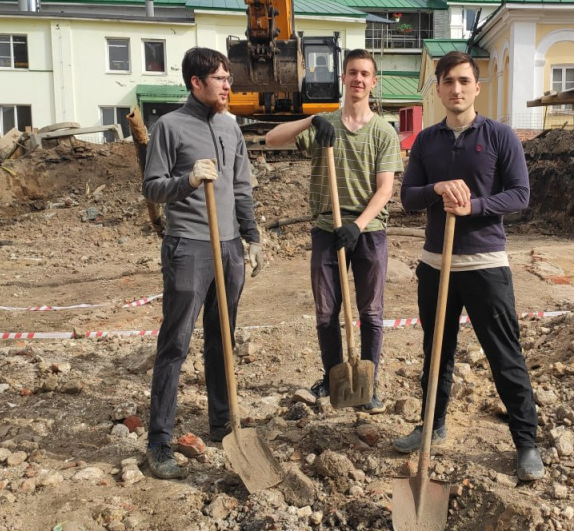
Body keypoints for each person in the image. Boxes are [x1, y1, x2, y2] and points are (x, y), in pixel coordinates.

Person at [394, 50, 544, 481]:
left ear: (477, 87)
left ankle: (526, 442)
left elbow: (519, 195)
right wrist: (437, 187)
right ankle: (432, 425)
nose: (456, 89)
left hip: (484, 264)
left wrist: (472, 205)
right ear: (438, 89)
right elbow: (407, 198)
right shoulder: (425, 141)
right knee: (436, 352)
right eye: (448, 82)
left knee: (504, 354)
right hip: (434, 265)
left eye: (464, 81)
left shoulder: (500, 136)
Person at [141, 47, 264, 480]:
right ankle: (159, 440)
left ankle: (221, 422)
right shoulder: (169, 127)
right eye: (219, 78)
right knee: (175, 343)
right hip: (189, 246)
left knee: (222, 338)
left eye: (229, 78)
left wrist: (251, 236)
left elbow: (242, 186)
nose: (228, 85)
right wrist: (188, 180)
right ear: (196, 82)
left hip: (228, 247)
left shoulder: (231, 128)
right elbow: (152, 188)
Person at [266, 49, 403, 414]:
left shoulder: (383, 132)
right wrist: (310, 121)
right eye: (352, 73)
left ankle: (368, 384)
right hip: (327, 227)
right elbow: (271, 139)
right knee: (326, 311)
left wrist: (356, 227)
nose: (358, 79)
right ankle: (332, 376)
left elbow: (386, 189)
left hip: (368, 229)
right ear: (343, 79)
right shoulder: (324, 125)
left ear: (374, 82)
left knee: (371, 312)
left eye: (365, 74)